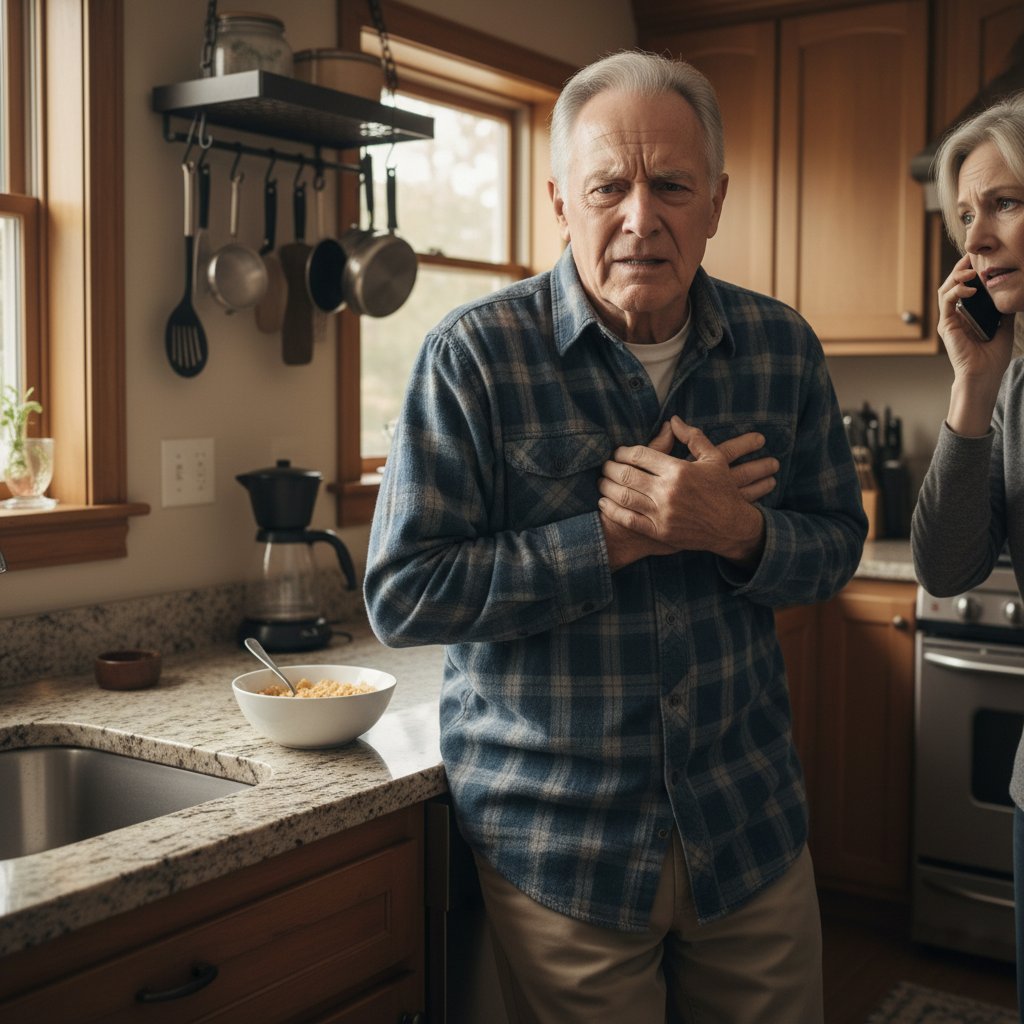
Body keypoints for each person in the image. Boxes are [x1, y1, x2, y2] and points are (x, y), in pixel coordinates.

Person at [365, 50, 866, 1024]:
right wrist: (613, 541)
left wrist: (737, 530)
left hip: (748, 828)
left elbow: (838, 542)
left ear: (715, 200)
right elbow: (401, 592)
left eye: (671, 185)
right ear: (561, 200)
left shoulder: (781, 347)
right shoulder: (472, 355)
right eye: (609, 187)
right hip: (559, 848)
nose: (641, 218)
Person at [910, 91, 1024, 1017]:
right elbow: (946, 569)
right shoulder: (1010, 381)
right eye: (965, 216)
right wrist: (973, 382)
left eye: (1006, 204)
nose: (976, 240)